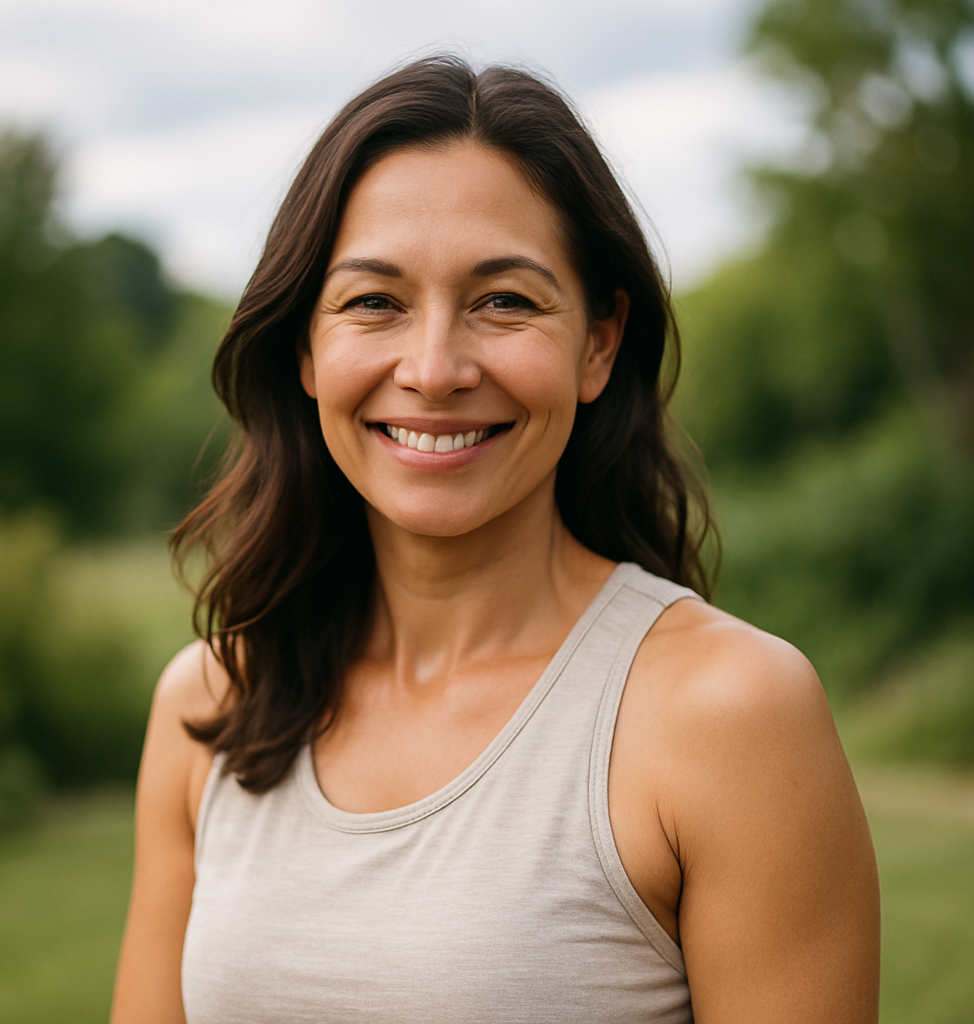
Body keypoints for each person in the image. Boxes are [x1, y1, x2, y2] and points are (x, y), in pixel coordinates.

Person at [109, 56, 880, 1023]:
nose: (434, 370)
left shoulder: (731, 715)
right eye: (374, 302)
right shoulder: (213, 702)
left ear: (598, 344)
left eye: (504, 300)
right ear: (306, 348)